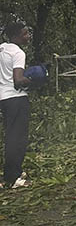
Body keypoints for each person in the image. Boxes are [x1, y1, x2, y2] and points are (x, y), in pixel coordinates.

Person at [0, 23, 33, 189]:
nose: (28, 36)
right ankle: (14, 178)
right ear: (16, 36)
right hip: (16, 98)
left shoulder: (2, 49)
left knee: (9, 136)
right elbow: (18, 80)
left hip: (3, 98)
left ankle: (9, 173)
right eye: (25, 34)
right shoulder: (18, 52)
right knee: (17, 138)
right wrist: (34, 79)